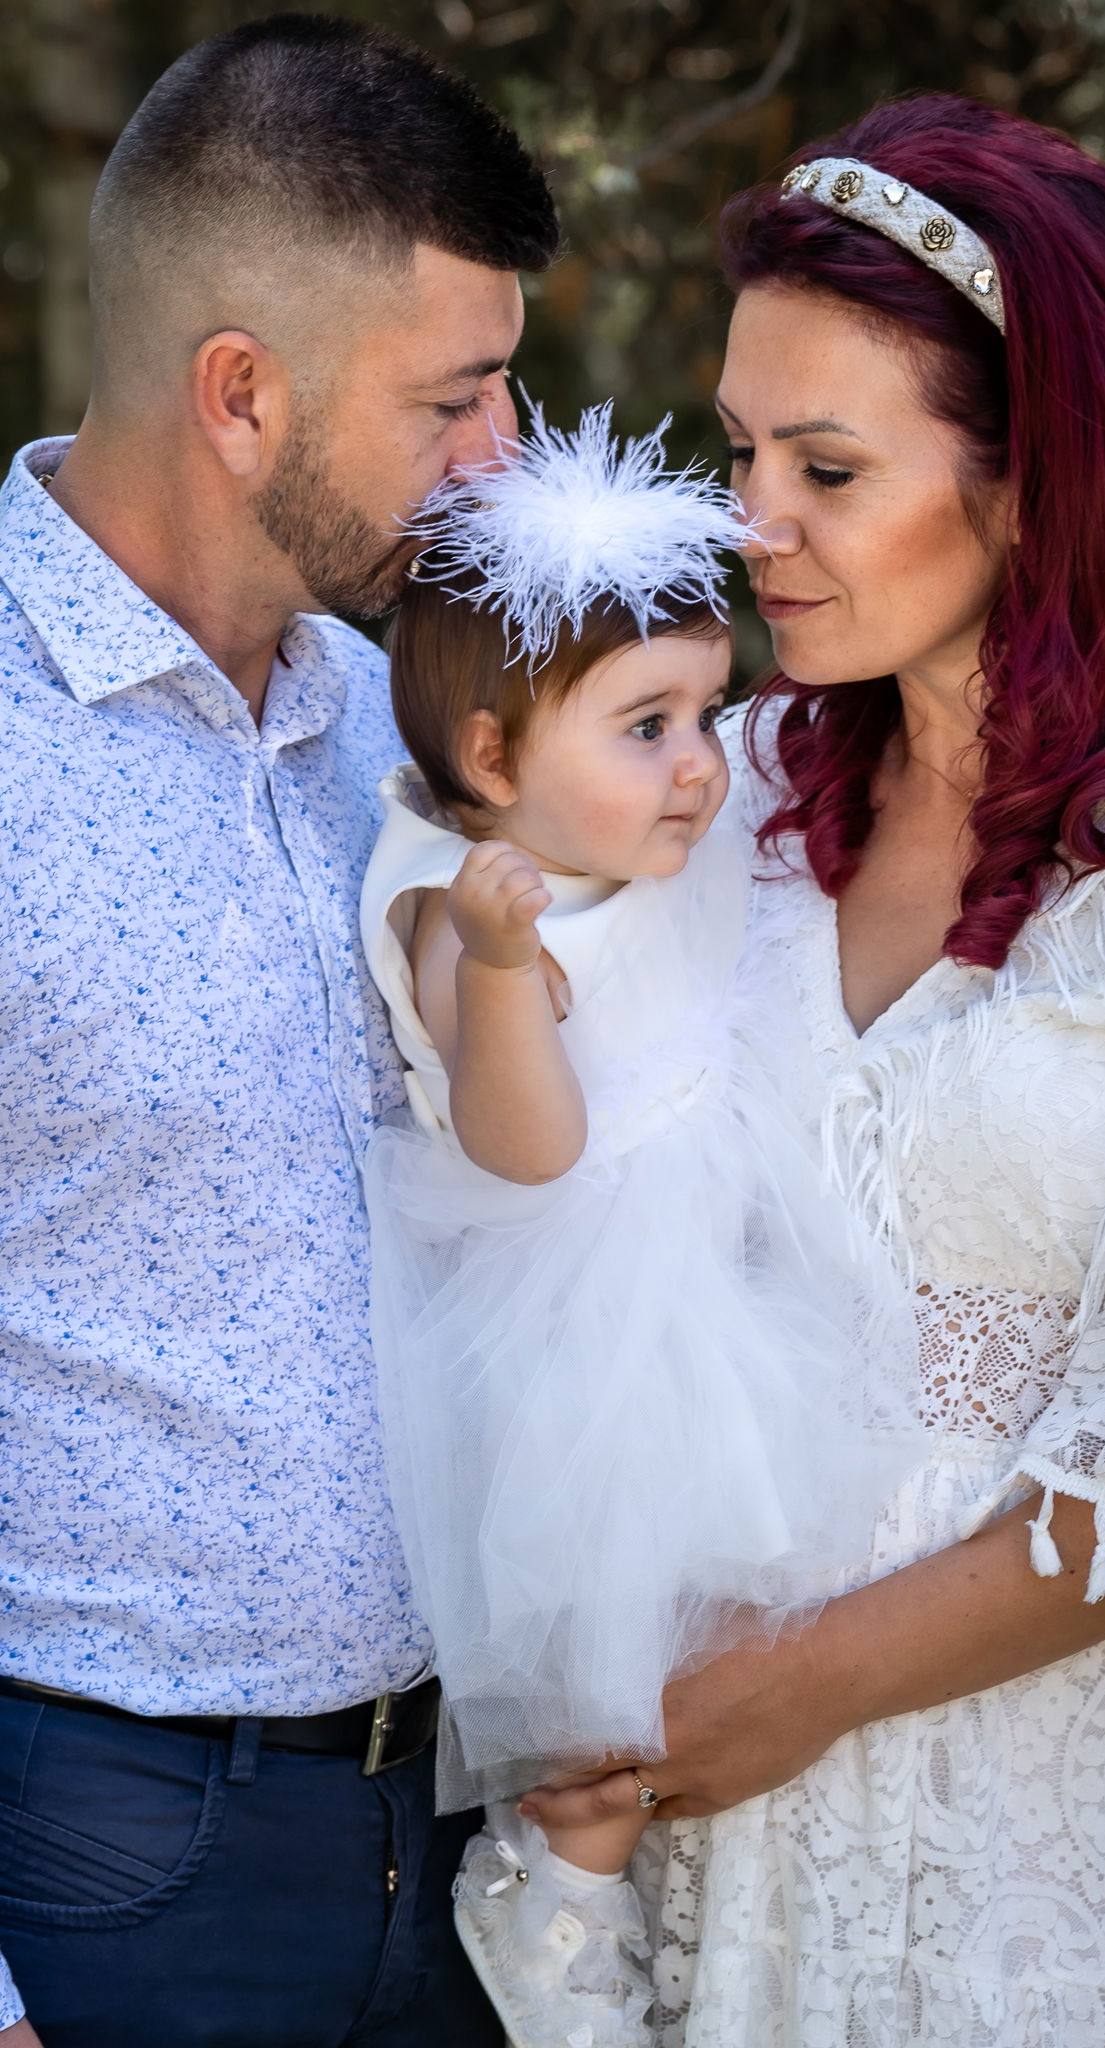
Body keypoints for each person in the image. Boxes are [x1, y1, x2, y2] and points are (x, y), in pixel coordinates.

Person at [524, 94, 1105, 2047]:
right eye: (740, 451)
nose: (749, 521)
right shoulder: (720, 792)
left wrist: (804, 1685)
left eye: (826, 467)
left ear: (1036, 479)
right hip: (695, 1799)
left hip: (1048, 1826)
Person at [0, 16, 557, 2048]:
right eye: (449, 398)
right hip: (83, 1867)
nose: (503, 459)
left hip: (447, 1847)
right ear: (240, 393)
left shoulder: (395, 741)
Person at [358, 405, 922, 2048]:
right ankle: (559, 1906)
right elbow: (527, 1148)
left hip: (702, 1262)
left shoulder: (625, 829)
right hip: (589, 1322)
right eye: (647, 726)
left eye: (703, 710)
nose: (697, 763)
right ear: (491, 764)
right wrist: (503, 973)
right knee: (612, 1658)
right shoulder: (467, 912)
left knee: (740, 1608)